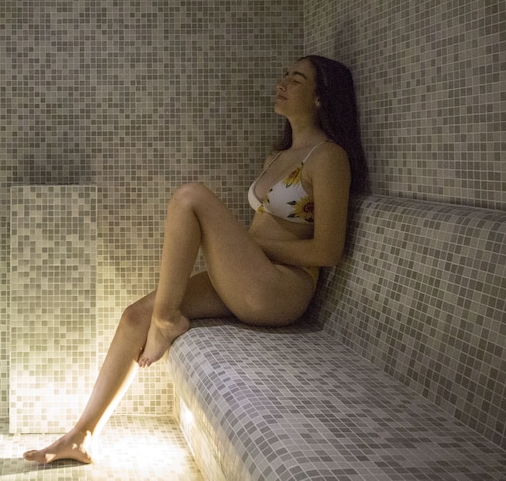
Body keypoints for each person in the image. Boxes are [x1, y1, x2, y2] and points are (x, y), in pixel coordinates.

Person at [23, 55, 368, 465]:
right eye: (285, 76)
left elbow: (328, 250)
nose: (282, 84)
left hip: (281, 290)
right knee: (135, 316)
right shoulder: (279, 155)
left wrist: (254, 246)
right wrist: (247, 248)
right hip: (253, 276)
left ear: (319, 98)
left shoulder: (328, 158)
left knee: (191, 196)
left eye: (296, 79)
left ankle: (167, 320)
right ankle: (82, 435)